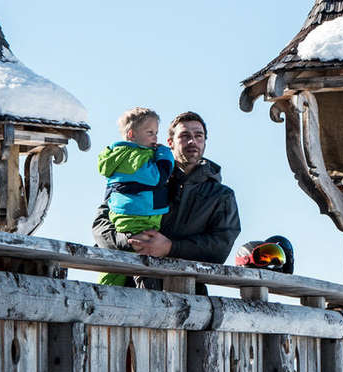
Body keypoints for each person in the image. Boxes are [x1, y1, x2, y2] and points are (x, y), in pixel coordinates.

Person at [93, 112, 241, 277]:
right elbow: (100, 225)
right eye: (184, 136)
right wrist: (130, 241)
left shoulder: (221, 196)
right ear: (170, 143)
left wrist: (171, 247)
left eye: (198, 136)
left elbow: (220, 246)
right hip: (126, 284)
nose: (192, 141)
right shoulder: (142, 174)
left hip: (186, 292)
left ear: (205, 141)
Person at [96, 106, 174, 285]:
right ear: (131, 134)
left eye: (156, 132)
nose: (155, 137)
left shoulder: (120, 156)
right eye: (150, 132)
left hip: (127, 215)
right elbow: (158, 177)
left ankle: (106, 290)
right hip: (138, 219)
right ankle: (113, 293)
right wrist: (165, 154)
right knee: (138, 261)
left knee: (117, 265)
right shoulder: (133, 156)